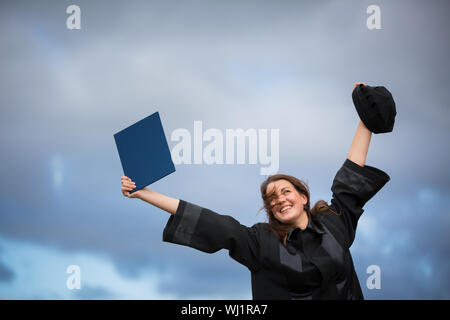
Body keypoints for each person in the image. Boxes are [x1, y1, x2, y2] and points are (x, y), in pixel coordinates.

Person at [120, 82, 391, 300]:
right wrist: (145, 193)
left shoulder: (334, 224)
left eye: (285, 191)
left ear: (303, 196)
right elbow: (215, 224)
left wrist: (365, 114)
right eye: (272, 199)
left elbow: (350, 176)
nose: (280, 200)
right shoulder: (263, 243)